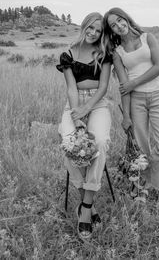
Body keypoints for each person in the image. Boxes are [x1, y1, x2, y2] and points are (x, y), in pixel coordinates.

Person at [103, 7, 159, 201]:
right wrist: (126, 116)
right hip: (136, 101)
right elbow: (123, 87)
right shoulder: (117, 52)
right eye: (113, 25)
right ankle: (139, 188)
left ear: (126, 18)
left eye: (120, 20)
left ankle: (151, 184)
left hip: (157, 97)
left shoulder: (147, 38)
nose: (119, 25)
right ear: (111, 30)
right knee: (141, 151)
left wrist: (133, 82)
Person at [56, 12, 112, 240]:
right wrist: (76, 116)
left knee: (98, 142)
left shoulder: (104, 53)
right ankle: (87, 201)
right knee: (69, 143)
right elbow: (71, 88)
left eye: (98, 31)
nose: (93, 33)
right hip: (75, 103)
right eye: (90, 28)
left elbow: (103, 87)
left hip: (97, 103)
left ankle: (86, 208)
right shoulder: (67, 54)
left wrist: (87, 109)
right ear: (84, 26)